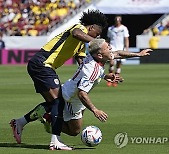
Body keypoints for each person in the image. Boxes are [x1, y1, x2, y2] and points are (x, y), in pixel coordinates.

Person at [10, 38, 152, 150]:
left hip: (68, 88)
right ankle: (48, 119)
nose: (111, 49)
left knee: (53, 106)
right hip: (73, 99)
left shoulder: (95, 58)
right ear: (100, 54)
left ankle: (38, 117)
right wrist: (95, 110)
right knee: (75, 131)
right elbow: (82, 94)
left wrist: (138, 54)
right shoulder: (93, 69)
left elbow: (118, 54)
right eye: (107, 47)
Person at [10, 9, 108, 150]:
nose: (97, 37)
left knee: (55, 102)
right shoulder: (79, 29)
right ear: (91, 28)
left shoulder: (81, 44)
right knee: (58, 102)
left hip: (45, 67)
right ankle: (55, 141)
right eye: (97, 34)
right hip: (42, 63)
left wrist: (102, 75)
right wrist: (97, 42)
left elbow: (84, 63)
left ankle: (20, 122)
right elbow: (76, 34)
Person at [106, 16, 129, 87]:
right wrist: (107, 46)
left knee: (119, 64)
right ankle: (110, 78)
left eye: (118, 20)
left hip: (120, 47)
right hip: (112, 47)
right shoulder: (110, 29)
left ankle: (116, 80)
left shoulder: (124, 28)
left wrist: (126, 48)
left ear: (120, 21)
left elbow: (126, 38)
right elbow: (108, 38)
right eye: (116, 20)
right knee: (111, 62)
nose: (117, 21)